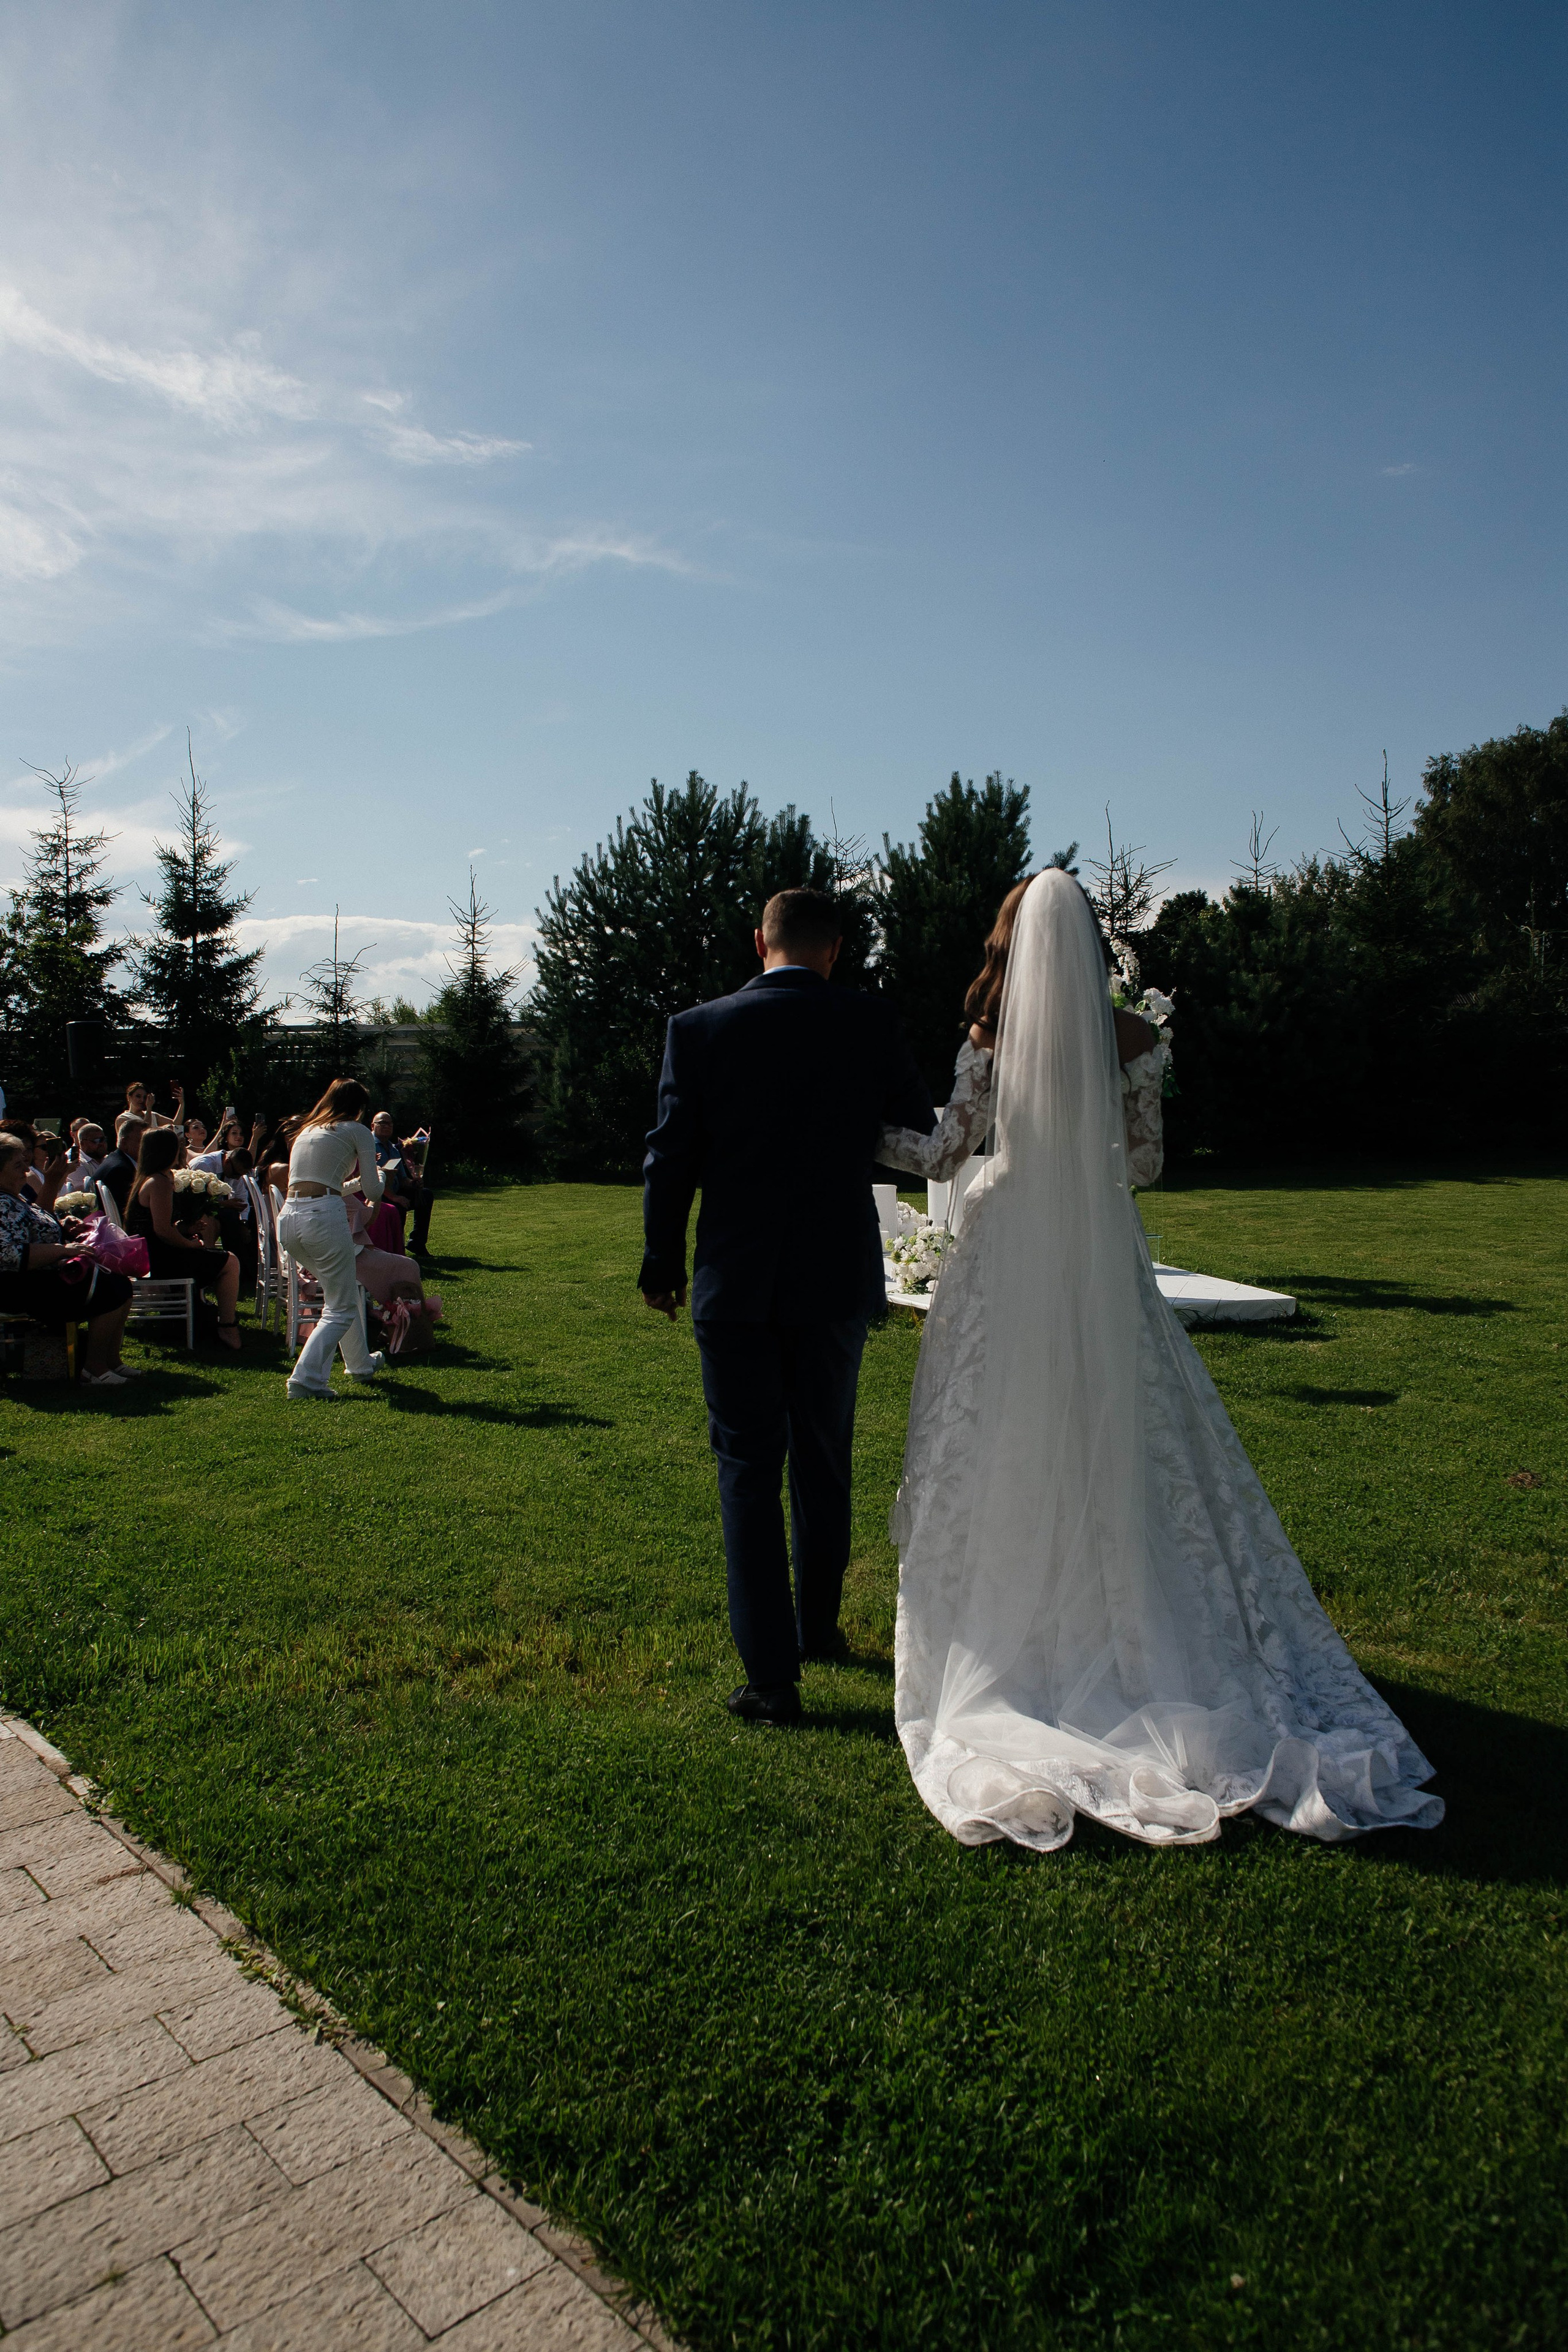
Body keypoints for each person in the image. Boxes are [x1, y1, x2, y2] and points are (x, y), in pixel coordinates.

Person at [876, 869, 1443, 1852]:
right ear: (1092, 948)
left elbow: (941, 1158)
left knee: (1006, 1431)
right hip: (1098, 1248)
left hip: (1008, 1250)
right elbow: (1144, 1166)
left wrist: (863, 1132)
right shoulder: (1135, 1040)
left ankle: (1010, 1633)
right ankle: (1128, 1623)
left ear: (1012, 945)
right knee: (1113, 1424)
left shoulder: (987, 1038)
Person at [641, 885, 935, 1725]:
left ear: (757, 941)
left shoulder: (696, 1030)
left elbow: (671, 1157)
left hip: (734, 1282)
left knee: (746, 1468)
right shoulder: (868, 1023)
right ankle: (821, 1628)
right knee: (823, 1457)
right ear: (834, 949)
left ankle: (771, 1676)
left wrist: (662, 1261)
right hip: (836, 1275)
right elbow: (914, 1126)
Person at [276, 1077, 388, 1401]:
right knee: (340, 1307)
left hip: (291, 1218)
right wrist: (380, 1177)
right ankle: (305, 1379)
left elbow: (327, 1184)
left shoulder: (308, 1131)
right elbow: (372, 1190)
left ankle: (360, 1364)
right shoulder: (356, 1130)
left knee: (344, 1291)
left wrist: (358, 1183)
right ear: (358, 1107)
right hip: (323, 1218)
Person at [0, 1132, 135, 1387]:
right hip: (18, 1285)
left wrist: (64, 1226)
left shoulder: (17, 1197)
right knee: (110, 1288)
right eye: (18, 1165)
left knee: (120, 1283)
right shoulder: (2, 1204)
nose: (26, 1170)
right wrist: (63, 1251)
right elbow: (9, 1254)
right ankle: (93, 1368)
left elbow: (36, 1227)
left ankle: (110, 1360)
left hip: (40, 1274)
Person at [125, 1129, 242, 1351]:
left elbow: (159, 1226)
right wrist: (191, 1244)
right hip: (160, 1260)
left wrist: (186, 1228)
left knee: (220, 1259)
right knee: (231, 1262)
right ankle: (227, 1325)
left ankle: (206, 1316)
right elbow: (162, 1231)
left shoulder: (147, 1179)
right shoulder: (159, 1182)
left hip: (154, 1254)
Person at [95, 1114, 147, 1216]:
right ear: (124, 1142)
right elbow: (131, 1212)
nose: (148, 1146)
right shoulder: (120, 1170)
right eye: (143, 1142)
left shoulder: (117, 1159)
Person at [67, 1121, 108, 1186]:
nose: (101, 1144)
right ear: (83, 1144)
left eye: (103, 1140)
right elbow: (85, 1195)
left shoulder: (108, 1159)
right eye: (96, 1141)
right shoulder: (77, 1164)